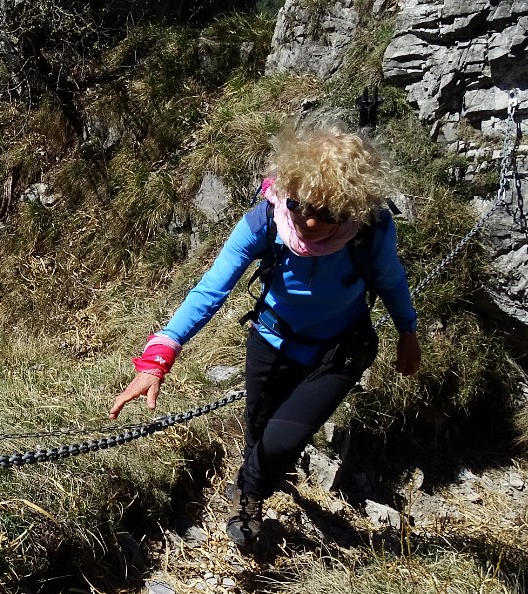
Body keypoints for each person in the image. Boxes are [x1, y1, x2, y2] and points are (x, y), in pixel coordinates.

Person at [108, 123, 421, 549]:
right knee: (258, 434)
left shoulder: (371, 230)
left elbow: (391, 279)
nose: (309, 222)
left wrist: (408, 330)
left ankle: (248, 497)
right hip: (272, 344)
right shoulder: (265, 222)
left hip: (341, 350)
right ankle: (255, 482)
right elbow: (210, 289)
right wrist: (158, 356)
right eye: (300, 204)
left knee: (281, 441)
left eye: (328, 214)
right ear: (286, 188)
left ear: (352, 208)